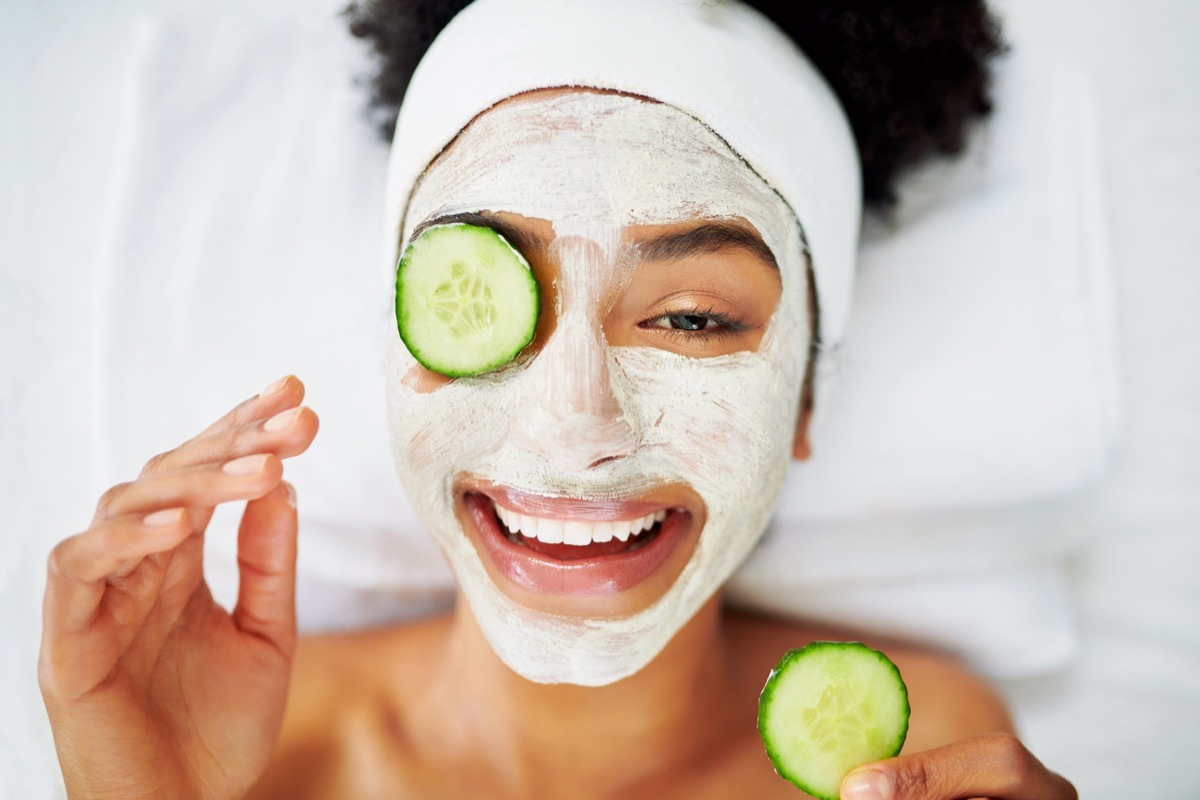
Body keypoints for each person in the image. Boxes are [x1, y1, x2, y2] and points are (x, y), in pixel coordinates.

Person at [39, 1, 1078, 797]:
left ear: (806, 398)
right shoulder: (232, 750)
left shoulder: (922, 750)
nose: (576, 427)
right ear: (400, 358)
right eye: (481, 306)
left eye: (691, 318)